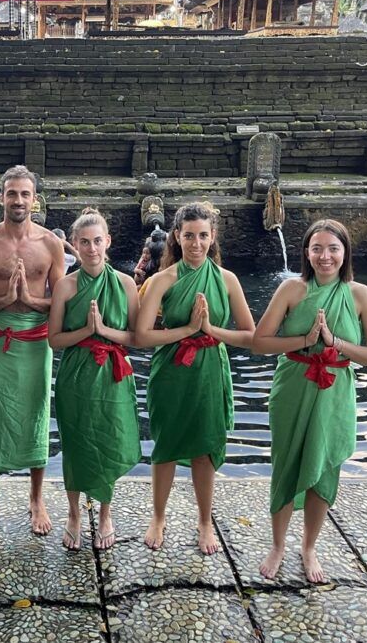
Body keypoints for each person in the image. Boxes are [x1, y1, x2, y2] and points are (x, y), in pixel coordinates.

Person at [252, 219, 367, 583]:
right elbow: (260, 343)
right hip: (293, 385)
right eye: (317, 249)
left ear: (345, 253)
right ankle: (277, 545)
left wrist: (335, 343)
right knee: (287, 462)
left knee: (324, 466)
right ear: (306, 253)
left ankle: (309, 546)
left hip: (335, 390)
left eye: (333, 248)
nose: (325, 256)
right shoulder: (291, 289)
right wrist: (304, 340)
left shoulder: (361, 295)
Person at [135, 202, 255, 553]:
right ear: (176, 236)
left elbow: (249, 335)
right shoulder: (161, 280)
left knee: (205, 448)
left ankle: (205, 522)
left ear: (213, 236)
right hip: (171, 371)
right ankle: (158, 516)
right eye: (189, 236)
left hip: (210, 370)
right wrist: (188, 329)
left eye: (203, 235)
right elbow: (142, 336)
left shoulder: (227, 280)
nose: (196, 243)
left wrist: (210, 330)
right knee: (166, 446)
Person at [0, 165, 65, 536]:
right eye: (12, 193)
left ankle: (36, 498)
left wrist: (30, 299)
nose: (19, 200)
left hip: (36, 340)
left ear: (35, 199)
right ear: (2, 198)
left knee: (37, 413)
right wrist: (6, 298)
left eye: (25, 194)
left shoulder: (50, 244)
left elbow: (61, 301)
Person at [48, 209, 140, 551]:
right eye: (84, 242)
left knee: (109, 439)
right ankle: (73, 514)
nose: (91, 249)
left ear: (108, 241)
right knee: (76, 443)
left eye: (97, 241)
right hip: (76, 373)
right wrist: (87, 331)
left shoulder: (126, 284)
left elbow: (136, 337)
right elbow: (54, 339)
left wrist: (104, 330)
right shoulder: (66, 285)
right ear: (74, 244)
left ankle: (105, 513)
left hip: (114, 371)